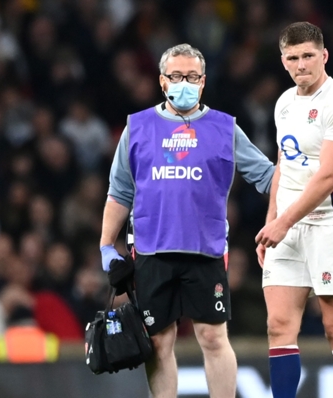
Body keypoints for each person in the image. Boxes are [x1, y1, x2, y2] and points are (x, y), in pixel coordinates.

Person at [99, 43, 274, 398]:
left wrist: (299, 189)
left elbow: (268, 177)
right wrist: (105, 245)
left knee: (212, 337)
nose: (184, 83)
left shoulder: (225, 128)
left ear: (203, 81)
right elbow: (119, 192)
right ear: (162, 81)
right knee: (160, 342)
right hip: (151, 250)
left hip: (205, 249)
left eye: (192, 77)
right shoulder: (137, 127)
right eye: (177, 76)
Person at [255, 22, 333, 398]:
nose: (301, 64)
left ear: (324, 56)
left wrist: (283, 223)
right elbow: (283, 164)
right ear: (283, 61)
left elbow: (329, 176)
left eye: (308, 56)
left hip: (329, 227)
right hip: (286, 230)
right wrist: (271, 222)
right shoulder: (284, 103)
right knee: (279, 324)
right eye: (293, 57)